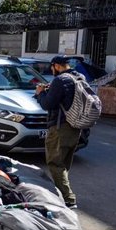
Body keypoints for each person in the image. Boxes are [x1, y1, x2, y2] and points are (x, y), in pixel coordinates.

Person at [35, 56, 82, 209]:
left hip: (60, 127)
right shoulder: (79, 77)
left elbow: (48, 104)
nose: (51, 70)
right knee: (64, 164)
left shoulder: (60, 80)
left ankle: (68, 199)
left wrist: (40, 93)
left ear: (56, 66)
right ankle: (62, 193)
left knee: (55, 163)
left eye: (52, 67)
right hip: (76, 127)